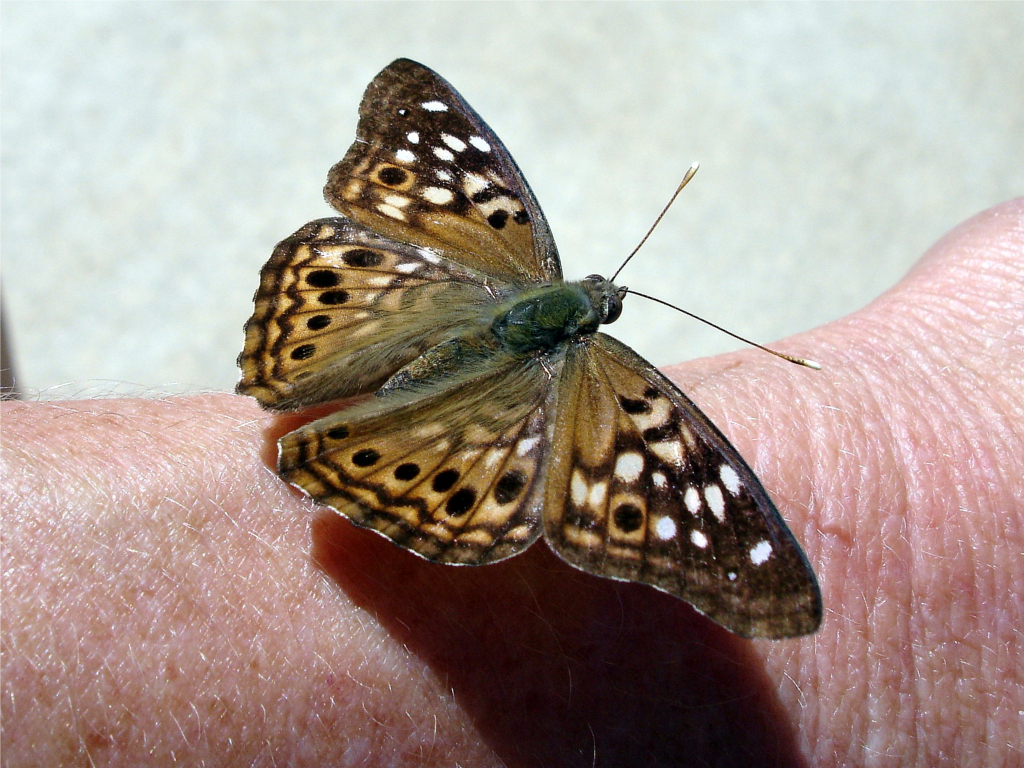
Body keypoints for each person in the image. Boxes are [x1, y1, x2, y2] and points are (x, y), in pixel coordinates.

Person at [3, 199, 1022, 766]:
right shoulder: (619, 390)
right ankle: (351, 437)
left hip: (397, 310)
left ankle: (327, 393)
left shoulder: (515, 245)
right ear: (593, 319)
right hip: (450, 425)